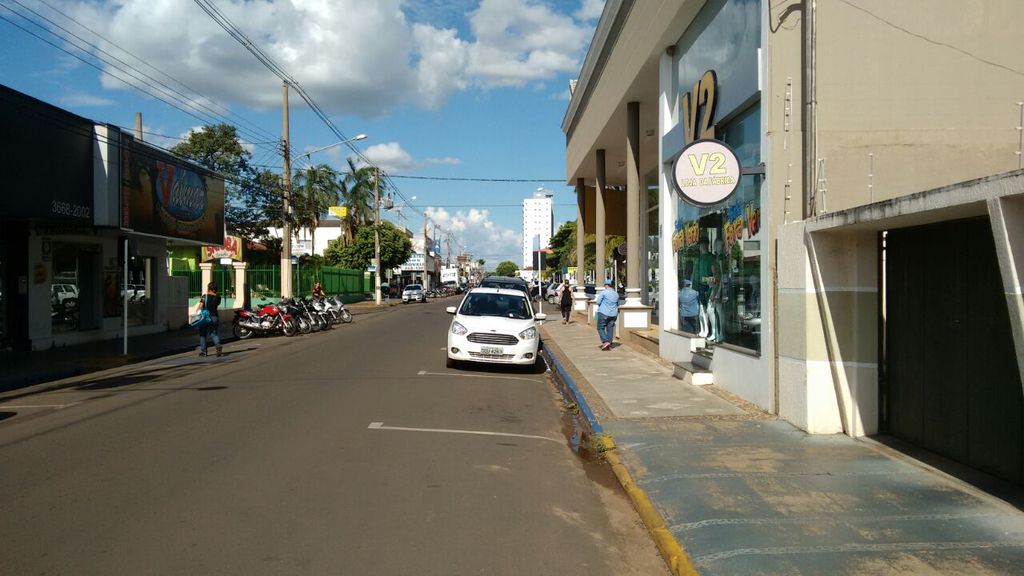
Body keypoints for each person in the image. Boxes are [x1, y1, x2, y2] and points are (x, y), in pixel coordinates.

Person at [196, 282, 221, 357]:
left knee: (202, 334)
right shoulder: (218, 297)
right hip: (214, 317)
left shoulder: (204, 296)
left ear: (209, 288)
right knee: (213, 333)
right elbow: (217, 304)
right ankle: (218, 345)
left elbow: (200, 306)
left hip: (205, 317)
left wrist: (197, 312)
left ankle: (204, 352)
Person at [594, 278, 619, 350]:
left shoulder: (604, 292)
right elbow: (617, 304)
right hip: (614, 314)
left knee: (600, 328)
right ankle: (610, 343)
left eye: (605, 285)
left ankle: (605, 341)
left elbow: (598, 302)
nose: (604, 286)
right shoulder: (616, 294)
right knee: (610, 328)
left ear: (607, 285)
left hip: (604, 313)